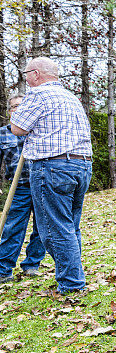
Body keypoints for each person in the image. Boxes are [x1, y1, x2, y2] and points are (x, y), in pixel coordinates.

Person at [10, 57, 93, 295]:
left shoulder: (37, 95)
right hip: (82, 166)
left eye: (26, 73)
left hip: (53, 167)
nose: (25, 78)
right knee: (69, 227)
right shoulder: (71, 98)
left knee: (53, 230)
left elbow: (18, 128)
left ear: (36, 74)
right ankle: (73, 278)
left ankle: (72, 284)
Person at [0, 95, 46, 283]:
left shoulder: (39, 131)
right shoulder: (3, 133)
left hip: (42, 185)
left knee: (41, 228)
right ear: (9, 111)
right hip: (17, 188)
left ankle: (32, 265)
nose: (17, 109)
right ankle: (4, 269)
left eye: (21, 106)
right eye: (13, 107)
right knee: (12, 227)